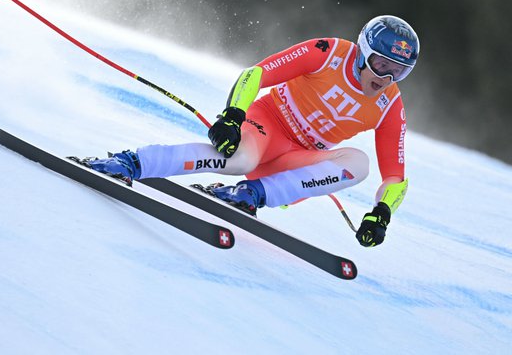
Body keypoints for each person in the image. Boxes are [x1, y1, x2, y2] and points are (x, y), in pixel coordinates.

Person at [85, 15, 419, 248]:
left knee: (358, 164)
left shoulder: (389, 104)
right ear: (363, 52)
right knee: (240, 160)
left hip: (293, 161)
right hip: (266, 128)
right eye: (381, 65)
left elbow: (396, 178)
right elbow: (256, 74)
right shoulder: (328, 53)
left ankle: (251, 195)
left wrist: (382, 212)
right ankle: (132, 162)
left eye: (399, 72)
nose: (386, 79)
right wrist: (233, 115)